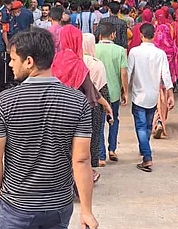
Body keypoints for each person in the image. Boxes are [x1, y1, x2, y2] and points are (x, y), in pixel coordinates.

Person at [0, 29, 99, 229]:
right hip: (58, 205)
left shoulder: (5, 101)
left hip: (16, 204)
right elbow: (82, 160)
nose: (10, 65)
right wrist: (86, 210)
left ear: (29, 61)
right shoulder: (77, 102)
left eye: (13, 59)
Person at [52, 27, 113, 180]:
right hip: (76, 113)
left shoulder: (55, 60)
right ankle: (81, 180)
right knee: (77, 150)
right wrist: (105, 104)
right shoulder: (77, 63)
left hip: (55, 112)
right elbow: (90, 89)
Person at [128, 23, 174, 172]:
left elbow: (128, 73)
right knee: (147, 126)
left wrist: (124, 91)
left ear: (141, 35)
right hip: (153, 96)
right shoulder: (160, 53)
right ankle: (144, 147)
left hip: (138, 95)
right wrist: (170, 94)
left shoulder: (134, 52)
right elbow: (166, 75)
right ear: (154, 36)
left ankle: (147, 157)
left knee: (141, 127)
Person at [95, 22, 128, 164]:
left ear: (99, 35)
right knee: (114, 120)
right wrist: (125, 91)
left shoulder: (94, 49)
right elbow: (124, 73)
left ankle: (101, 156)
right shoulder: (120, 50)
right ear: (113, 35)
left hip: (98, 93)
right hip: (114, 92)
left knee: (100, 123)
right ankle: (112, 149)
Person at [82, 33, 109, 169]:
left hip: (78, 106)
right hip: (96, 106)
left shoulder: (76, 62)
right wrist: (107, 107)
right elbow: (103, 89)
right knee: (95, 135)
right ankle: (91, 167)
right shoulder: (97, 64)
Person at [153, 24, 178, 139]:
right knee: (164, 102)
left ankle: (156, 122)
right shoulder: (172, 47)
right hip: (167, 80)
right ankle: (161, 121)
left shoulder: (155, 48)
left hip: (153, 80)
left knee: (155, 103)